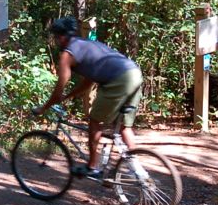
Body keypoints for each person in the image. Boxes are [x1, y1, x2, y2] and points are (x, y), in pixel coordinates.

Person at [33, 16, 143, 178]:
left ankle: (92, 167)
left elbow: (58, 89)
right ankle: (140, 173)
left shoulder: (67, 55)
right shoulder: (86, 44)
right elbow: (88, 81)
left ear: (62, 37)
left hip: (118, 80)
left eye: (56, 37)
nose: (56, 41)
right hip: (134, 73)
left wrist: (43, 108)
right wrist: (68, 96)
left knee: (94, 121)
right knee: (124, 128)